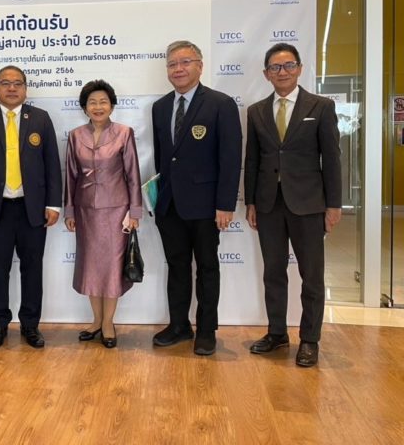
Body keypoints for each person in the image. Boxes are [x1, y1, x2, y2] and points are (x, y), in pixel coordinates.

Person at [245, 43, 342, 368]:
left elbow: (331, 158)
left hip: (309, 203)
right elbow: (253, 159)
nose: (282, 72)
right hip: (269, 204)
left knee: (311, 275)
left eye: (288, 65)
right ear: (266, 74)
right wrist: (251, 201)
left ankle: (310, 340)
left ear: (299, 68)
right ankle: (277, 333)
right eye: (275, 67)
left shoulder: (321, 106)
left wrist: (333, 204)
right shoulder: (256, 111)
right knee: (273, 272)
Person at [151, 40, 242, 356]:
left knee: (207, 268)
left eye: (185, 62)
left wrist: (225, 204)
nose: (178, 68)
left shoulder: (220, 104)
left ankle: (206, 330)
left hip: (206, 206)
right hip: (169, 205)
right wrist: (157, 199)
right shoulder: (160, 107)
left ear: (200, 66)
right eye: (172, 64)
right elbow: (164, 159)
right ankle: (179, 325)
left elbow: (230, 158)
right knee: (177, 266)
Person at [0, 65, 62, 349]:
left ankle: (30, 324)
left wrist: (53, 203)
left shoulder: (40, 118)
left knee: (32, 268)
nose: (11, 88)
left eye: (17, 83)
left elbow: (52, 163)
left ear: (25, 89)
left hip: (33, 208)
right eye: (5, 83)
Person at [64, 80, 142, 349]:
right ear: (85, 107)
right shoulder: (75, 136)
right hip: (85, 211)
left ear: (112, 105)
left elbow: (133, 175)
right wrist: (69, 210)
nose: (98, 107)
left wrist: (134, 211)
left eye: (103, 102)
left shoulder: (124, 133)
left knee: (111, 269)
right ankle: (96, 321)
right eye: (92, 102)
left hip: (117, 212)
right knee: (91, 267)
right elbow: (70, 176)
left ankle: (108, 323)